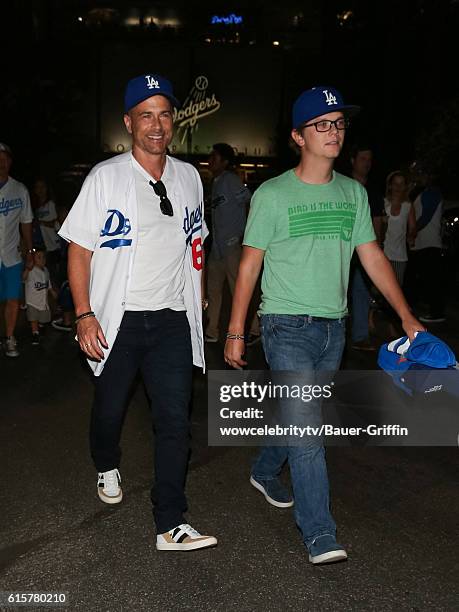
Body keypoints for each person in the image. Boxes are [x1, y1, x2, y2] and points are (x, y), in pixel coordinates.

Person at [224, 85, 424, 564]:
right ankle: (319, 532)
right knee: (310, 432)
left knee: (301, 416)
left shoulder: (353, 193)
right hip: (284, 324)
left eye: (339, 123)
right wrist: (235, 331)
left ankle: (265, 468)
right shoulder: (272, 195)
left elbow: (372, 256)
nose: (334, 132)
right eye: (323, 124)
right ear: (299, 135)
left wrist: (406, 315)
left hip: (333, 328)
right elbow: (250, 264)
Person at [59, 73, 217, 552]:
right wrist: (85, 315)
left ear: (175, 122)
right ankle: (106, 462)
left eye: (165, 114)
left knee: (174, 421)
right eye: (146, 115)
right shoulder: (105, 178)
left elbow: (197, 245)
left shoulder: (190, 178)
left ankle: (171, 521)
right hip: (118, 318)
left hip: (171, 319)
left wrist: (200, 297)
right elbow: (79, 249)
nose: (157, 125)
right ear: (129, 122)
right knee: (109, 411)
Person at [204, 143, 260, 345]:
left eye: (215, 157)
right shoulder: (217, 181)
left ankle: (254, 328)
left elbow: (250, 201)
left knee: (240, 288)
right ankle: (212, 330)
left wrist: (243, 234)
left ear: (225, 162)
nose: (210, 160)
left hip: (232, 245)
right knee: (213, 289)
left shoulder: (230, 180)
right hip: (218, 248)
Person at [349, 144, 385, 350]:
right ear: (353, 161)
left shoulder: (373, 190)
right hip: (342, 250)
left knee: (362, 291)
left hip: (365, 251)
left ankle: (360, 336)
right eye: (363, 159)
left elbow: (378, 219)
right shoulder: (342, 185)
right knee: (339, 293)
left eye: (369, 160)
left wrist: (378, 248)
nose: (367, 164)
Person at [0, 142, 34, 357]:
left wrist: (30, 252)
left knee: (13, 299)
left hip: (11, 255)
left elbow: (26, 222)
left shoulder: (19, 189)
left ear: (10, 162)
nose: (1, 163)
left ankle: (9, 337)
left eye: (4, 159)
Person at [408, 168, 446, 323]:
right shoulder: (424, 192)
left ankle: (436, 313)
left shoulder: (432, 192)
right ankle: (427, 309)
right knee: (423, 279)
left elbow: (426, 216)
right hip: (423, 244)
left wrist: (412, 233)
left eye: (422, 174)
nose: (419, 177)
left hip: (429, 244)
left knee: (431, 280)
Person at [383, 170, 416, 287]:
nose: (398, 187)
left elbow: (413, 227)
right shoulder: (383, 203)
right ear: (390, 185)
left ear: (405, 187)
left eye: (401, 184)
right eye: (395, 183)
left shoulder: (408, 206)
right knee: (381, 288)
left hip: (400, 256)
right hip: (382, 253)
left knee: (396, 289)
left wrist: (411, 236)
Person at [32, 178, 61, 291]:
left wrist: (41, 223)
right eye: (37, 187)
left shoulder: (51, 204)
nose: (40, 190)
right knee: (42, 276)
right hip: (41, 245)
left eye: (42, 187)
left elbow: (56, 222)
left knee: (53, 276)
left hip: (53, 246)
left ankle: (59, 303)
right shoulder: (35, 207)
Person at [23, 247, 56, 345]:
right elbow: (23, 278)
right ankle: (35, 333)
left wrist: (52, 291)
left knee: (43, 318)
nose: (42, 260)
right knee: (33, 318)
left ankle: (40, 327)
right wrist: (27, 269)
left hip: (43, 301)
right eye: (38, 257)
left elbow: (48, 282)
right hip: (32, 301)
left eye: (43, 257)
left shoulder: (45, 270)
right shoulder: (31, 270)